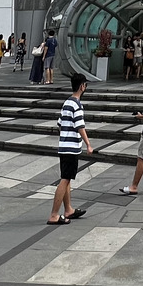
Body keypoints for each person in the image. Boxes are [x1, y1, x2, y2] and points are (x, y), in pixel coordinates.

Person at [48, 74, 93, 225]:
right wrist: (88, 144)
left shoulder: (67, 102)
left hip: (63, 146)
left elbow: (60, 124)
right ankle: (54, 214)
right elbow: (80, 126)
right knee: (65, 179)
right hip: (72, 148)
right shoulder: (77, 104)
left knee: (66, 179)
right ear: (82, 86)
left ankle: (68, 209)